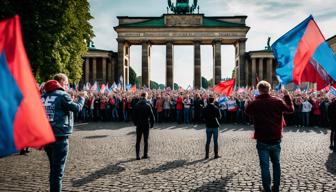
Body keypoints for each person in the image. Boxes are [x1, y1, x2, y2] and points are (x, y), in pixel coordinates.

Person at [245, 81, 294, 192]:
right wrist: (287, 96)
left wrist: (251, 100)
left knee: (265, 166)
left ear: (259, 90)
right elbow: (290, 109)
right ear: (270, 89)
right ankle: (276, 188)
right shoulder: (277, 101)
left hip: (262, 139)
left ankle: (267, 189)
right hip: (275, 139)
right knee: (276, 164)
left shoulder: (255, 103)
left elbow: (247, 111)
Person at [42, 73, 85, 192]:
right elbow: (77, 108)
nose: (67, 86)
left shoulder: (44, 95)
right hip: (59, 136)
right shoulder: (62, 95)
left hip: (47, 135)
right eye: (66, 84)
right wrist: (82, 98)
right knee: (57, 173)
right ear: (60, 82)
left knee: (53, 169)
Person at [133, 92, 155, 160]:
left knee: (138, 140)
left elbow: (133, 116)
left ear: (140, 96)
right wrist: (152, 124)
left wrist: (135, 123)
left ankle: (137, 156)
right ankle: (145, 154)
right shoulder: (148, 105)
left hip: (139, 125)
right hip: (146, 124)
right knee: (146, 140)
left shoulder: (136, 105)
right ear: (146, 96)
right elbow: (152, 117)